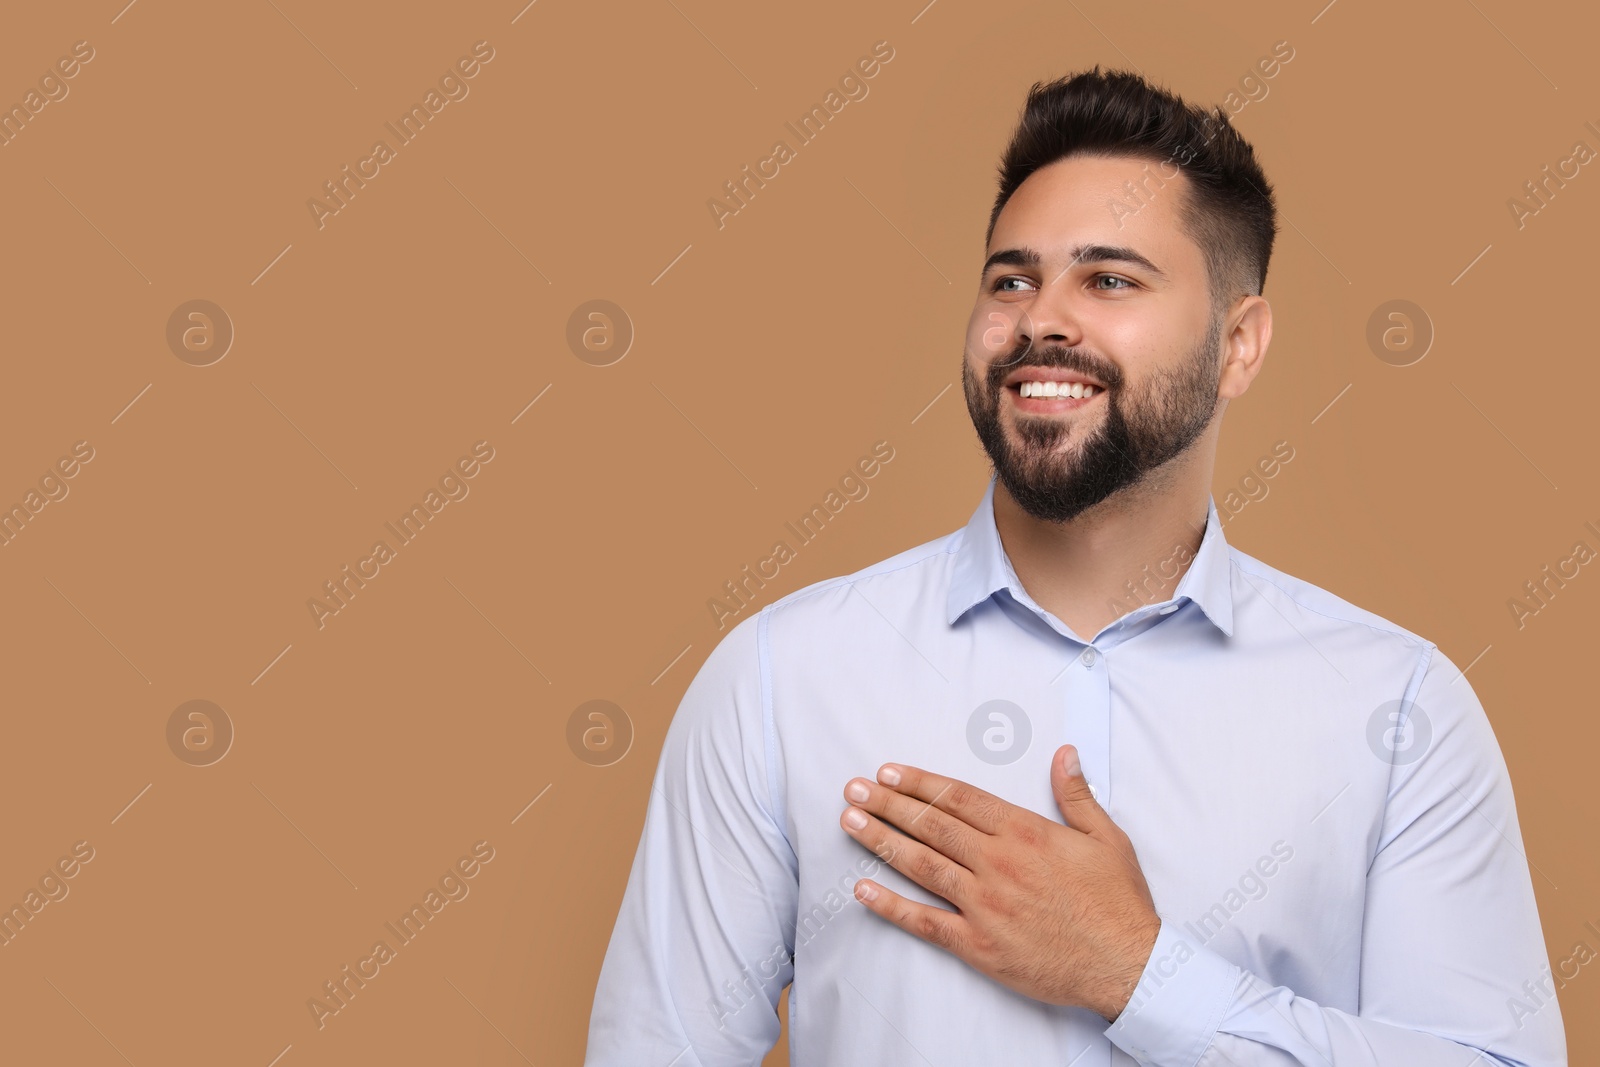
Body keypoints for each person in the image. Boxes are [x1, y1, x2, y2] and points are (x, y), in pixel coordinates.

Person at [584, 67, 1567, 1066]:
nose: (1039, 320)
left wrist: (1136, 974)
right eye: (1011, 279)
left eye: (1109, 280)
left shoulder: (1398, 710)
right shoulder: (777, 680)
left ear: (1238, 345)